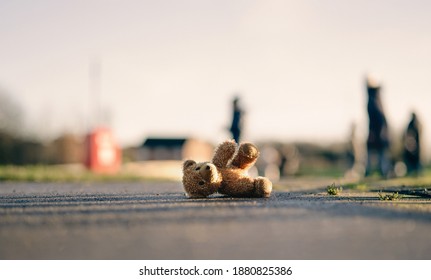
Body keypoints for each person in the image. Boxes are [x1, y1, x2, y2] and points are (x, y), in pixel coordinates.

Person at [365, 76, 391, 177]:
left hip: (379, 133)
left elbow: (380, 118)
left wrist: (375, 133)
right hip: (380, 132)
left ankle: (383, 172)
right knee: (380, 153)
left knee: (380, 153)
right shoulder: (376, 97)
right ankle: (382, 171)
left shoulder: (373, 99)